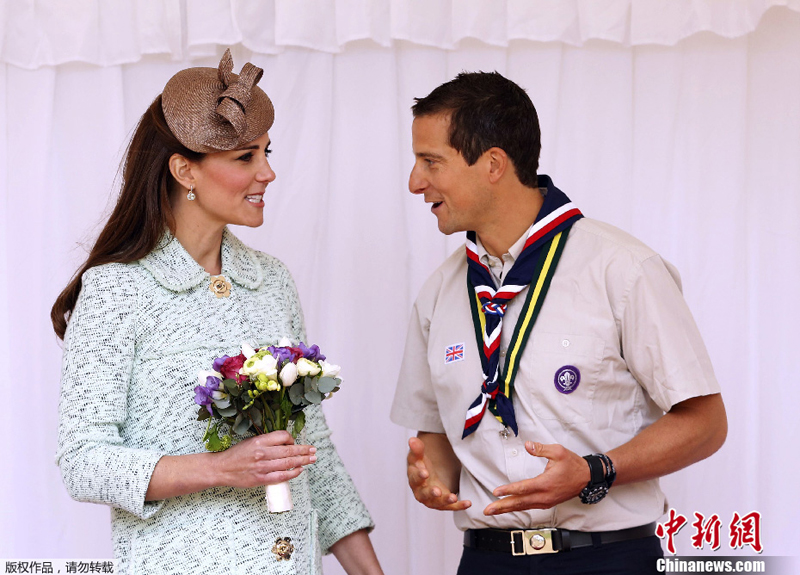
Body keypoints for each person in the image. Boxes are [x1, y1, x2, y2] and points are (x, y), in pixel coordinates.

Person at [52, 50, 383, 575]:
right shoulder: (118, 289)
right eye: (245, 158)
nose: (269, 172)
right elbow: (83, 462)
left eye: (266, 152)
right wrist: (218, 468)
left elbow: (312, 451)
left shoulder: (271, 281)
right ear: (185, 169)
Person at [390, 71, 727, 574]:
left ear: (494, 164)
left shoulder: (623, 270)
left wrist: (596, 471)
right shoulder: (440, 292)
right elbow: (436, 435)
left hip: (607, 559)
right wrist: (431, 477)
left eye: (430, 161)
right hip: (486, 563)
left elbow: (706, 424)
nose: (415, 182)